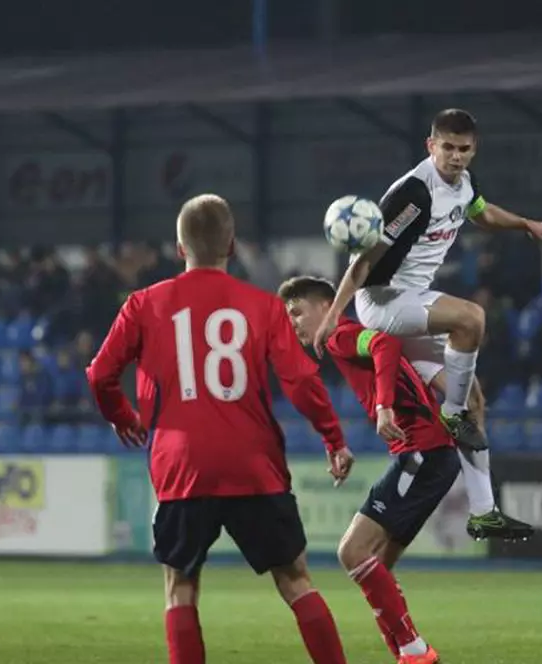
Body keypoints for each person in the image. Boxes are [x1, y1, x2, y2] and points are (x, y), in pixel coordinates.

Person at [85, 194, 351, 664]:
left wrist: (122, 417)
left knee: (180, 586)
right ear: (230, 244)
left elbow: (99, 374)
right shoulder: (265, 307)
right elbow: (302, 379)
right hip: (254, 464)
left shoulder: (144, 304)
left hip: (182, 466)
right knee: (295, 579)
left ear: (178, 246)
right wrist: (333, 437)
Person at [315, 108, 542, 542]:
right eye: (448, 148)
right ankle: (452, 412)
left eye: (464, 149)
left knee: (476, 401)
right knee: (471, 318)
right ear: (431, 145)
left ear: (473, 149)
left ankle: (484, 513)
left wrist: (523, 223)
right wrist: (333, 315)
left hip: (413, 304)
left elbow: (482, 212)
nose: (456, 157)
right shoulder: (413, 195)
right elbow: (366, 259)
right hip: (382, 301)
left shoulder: (464, 185)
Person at [280, 276, 454, 664]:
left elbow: (383, 343)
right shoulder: (346, 336)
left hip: (422, 451)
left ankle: (415, 652)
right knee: (377, 569)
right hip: (432, 453)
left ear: (326, 306)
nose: (293, 323)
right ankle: (407, 653)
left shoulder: (339, 334)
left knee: (351, 550)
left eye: (297, 312)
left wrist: (384, 406)